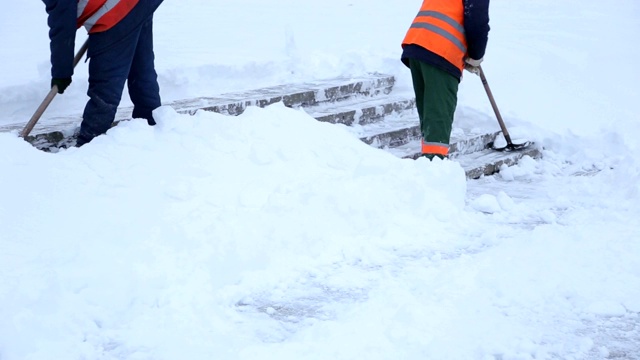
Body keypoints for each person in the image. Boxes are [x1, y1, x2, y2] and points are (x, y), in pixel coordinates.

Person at [43, 0, 164, 147]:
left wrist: (61, 73)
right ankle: (151, 122)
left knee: (105, 85)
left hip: (117, 10)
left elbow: (63, 27)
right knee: (140, 68)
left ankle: (89, 144)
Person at [401, 0, 490, 159]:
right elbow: (477, 23)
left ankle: (429, 162)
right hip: (440, 51)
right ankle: (435, 167)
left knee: (429, 113)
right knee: (438, 116)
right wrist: (476, 56)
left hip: (416, 45)